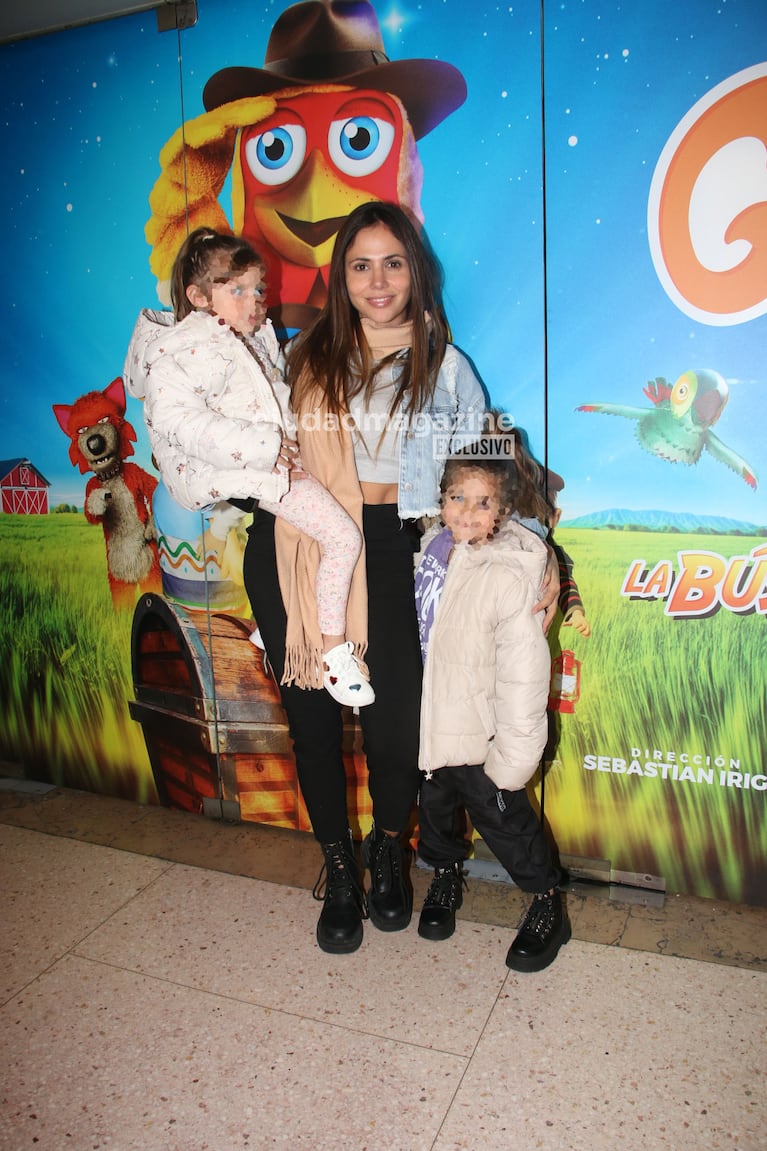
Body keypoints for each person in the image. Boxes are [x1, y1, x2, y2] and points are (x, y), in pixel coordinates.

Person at [242, 200, 560, 955]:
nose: (377, 280)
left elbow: (494, 481)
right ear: (339, 276)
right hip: (296, 547)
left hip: (388, 551)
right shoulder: (297, 357)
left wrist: (541, 558)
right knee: (314, 728)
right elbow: (233, 447)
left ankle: (388, 842)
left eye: (392, 262)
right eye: (360, 264)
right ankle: (339, 869)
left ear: (415, 271)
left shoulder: (444, 366)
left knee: (393, 731)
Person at [123, 227, 373, 708]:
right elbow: (182, 424)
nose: (255, 300)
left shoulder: (247, 338)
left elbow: (271, 397)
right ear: (198, 297)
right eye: (236, 289)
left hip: (264, 462)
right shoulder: (187, 350)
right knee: (343, 538)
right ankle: (332, 652)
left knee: (315, 536)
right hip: (248, 468)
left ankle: (269, 628)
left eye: (258, 288)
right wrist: (265, 445)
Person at [414, 450, 571, 972]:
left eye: (482, 504)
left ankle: (547, 900)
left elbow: (525, 672)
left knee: (502, 818)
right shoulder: (430, 553)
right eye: (457, 497)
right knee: (435, 811)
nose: (467, 512)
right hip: (433, 724)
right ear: (441, 499)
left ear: (503, 511)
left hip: (480, 733)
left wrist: (514, 755)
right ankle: (445, 875)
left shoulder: (510, 573)